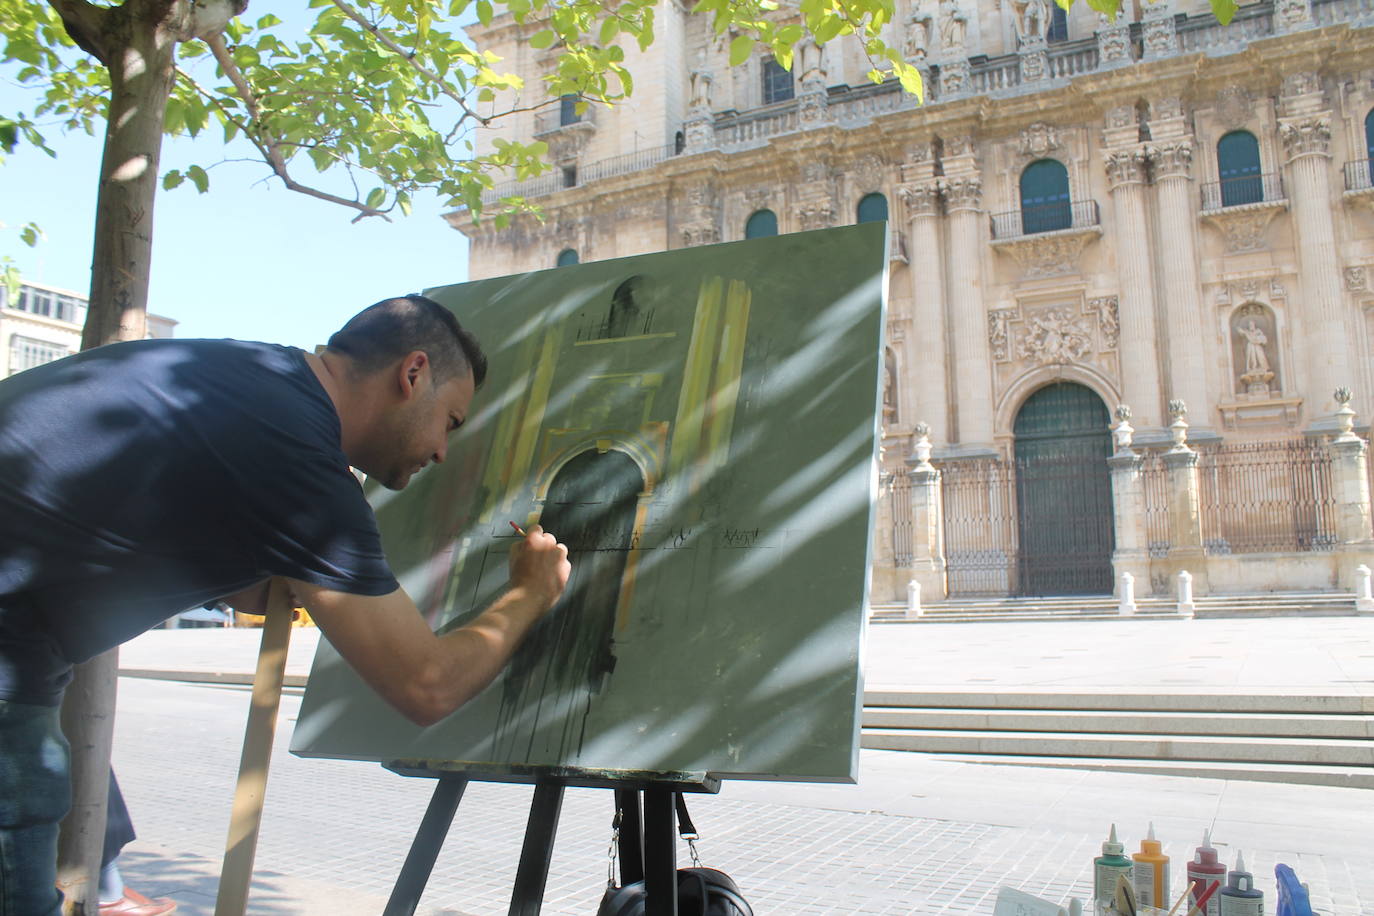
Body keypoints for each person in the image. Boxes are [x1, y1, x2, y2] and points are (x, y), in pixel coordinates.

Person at [0, 295, 572, 915]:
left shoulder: (249, 377)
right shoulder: (297, 454)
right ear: (413, 375)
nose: (441, 451)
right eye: (451, 422)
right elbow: (425, 686)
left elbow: (176, 539)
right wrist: (530, 592)